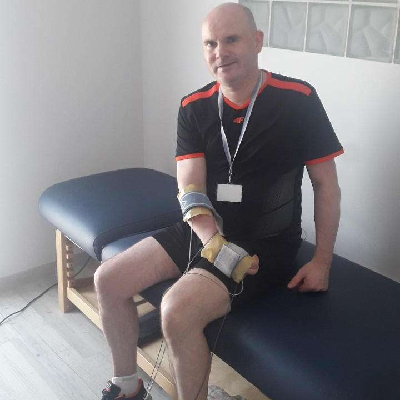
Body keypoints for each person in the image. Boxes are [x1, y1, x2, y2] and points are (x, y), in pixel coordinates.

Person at [94, 2, 343, 400]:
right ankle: (128, 385)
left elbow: (325, 184)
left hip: (265, 244)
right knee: (107, 280)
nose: (220, 52)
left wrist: (323, 261)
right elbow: (190, 187)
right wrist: (214, 243)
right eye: (210, 43)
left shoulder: (298, 99)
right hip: (205, 230)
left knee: (176, 311)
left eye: (231, 40)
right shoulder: (194, 106)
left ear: (257, 41)